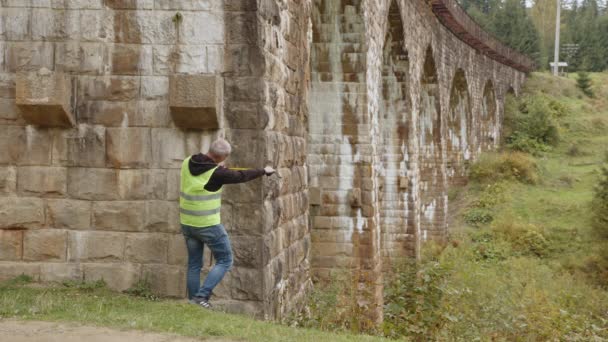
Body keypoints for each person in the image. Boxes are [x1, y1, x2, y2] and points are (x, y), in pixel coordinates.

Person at [180, 138, 275, 308]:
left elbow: (208, 169)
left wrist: (219, 168)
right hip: (207, 224)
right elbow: (241, 176)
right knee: (225, 260)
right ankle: (201, 297)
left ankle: (193, 302)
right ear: (222, 158)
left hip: (187, 222)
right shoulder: (217, 173)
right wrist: (264, 170)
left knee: (194, 263)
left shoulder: (188, 161)